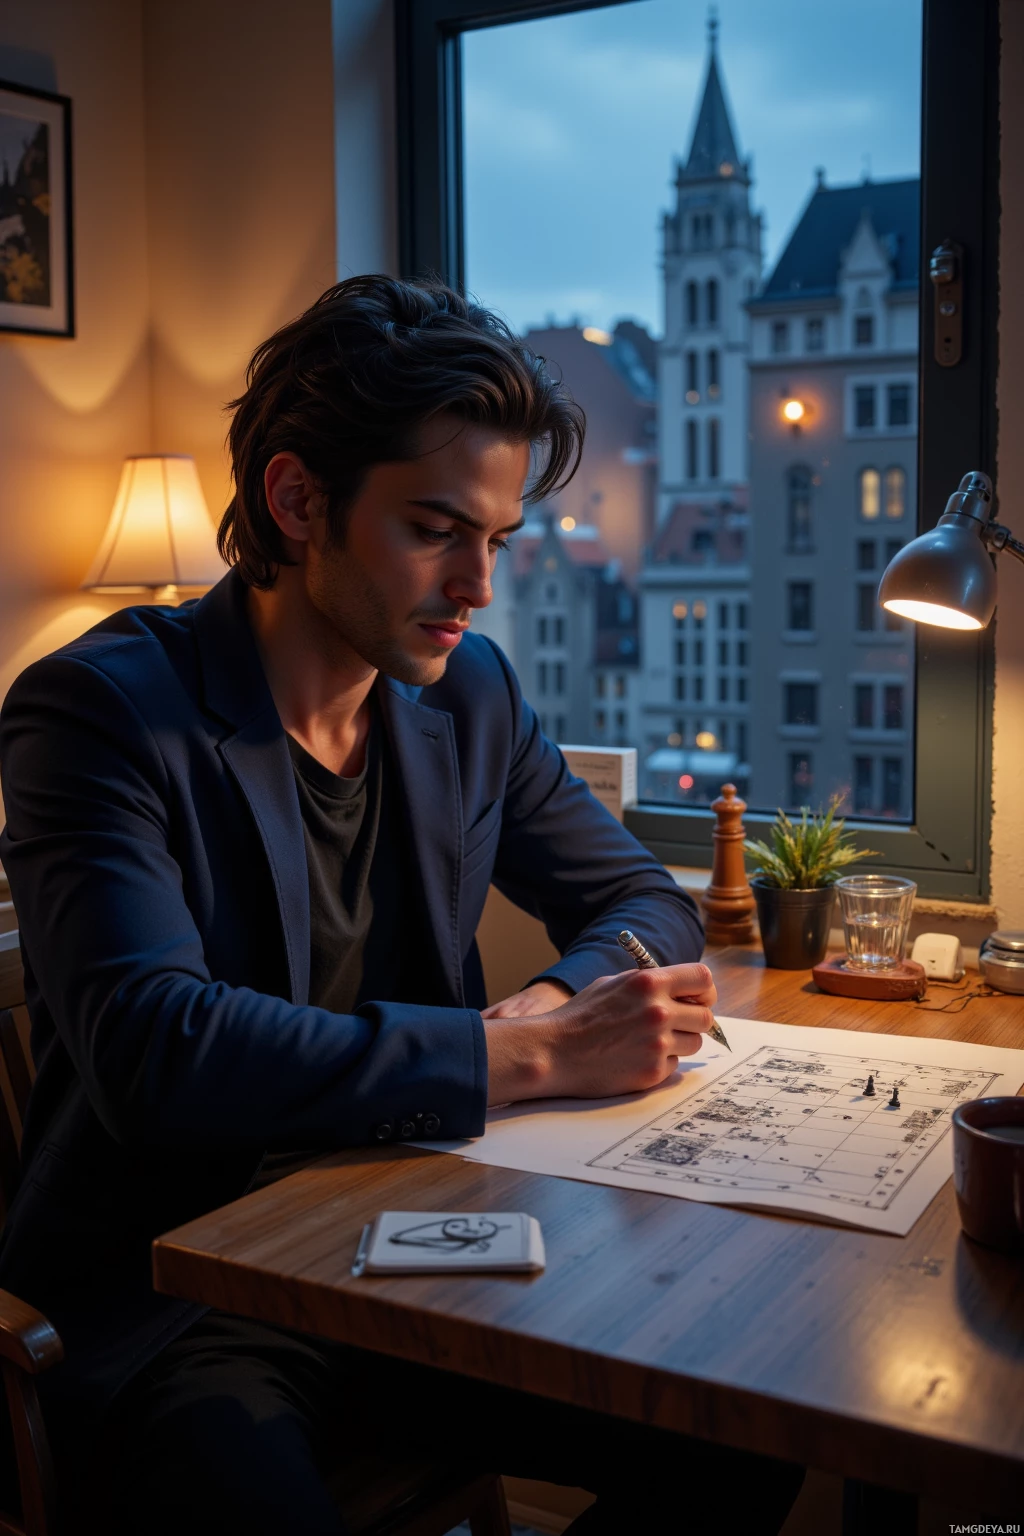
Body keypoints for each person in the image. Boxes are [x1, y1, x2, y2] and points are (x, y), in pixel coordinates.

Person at [0, 276, 802, 1533]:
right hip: (178, 1304)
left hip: (419, 1249)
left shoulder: (467, 693)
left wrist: (545, 1002)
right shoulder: (99, 713)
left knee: (745, 1421)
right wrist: (517, 1059)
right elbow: (155, 1047)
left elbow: (643, 899)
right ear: (296, 498)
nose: (477, 584)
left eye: (498, 538)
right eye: (436, 529)